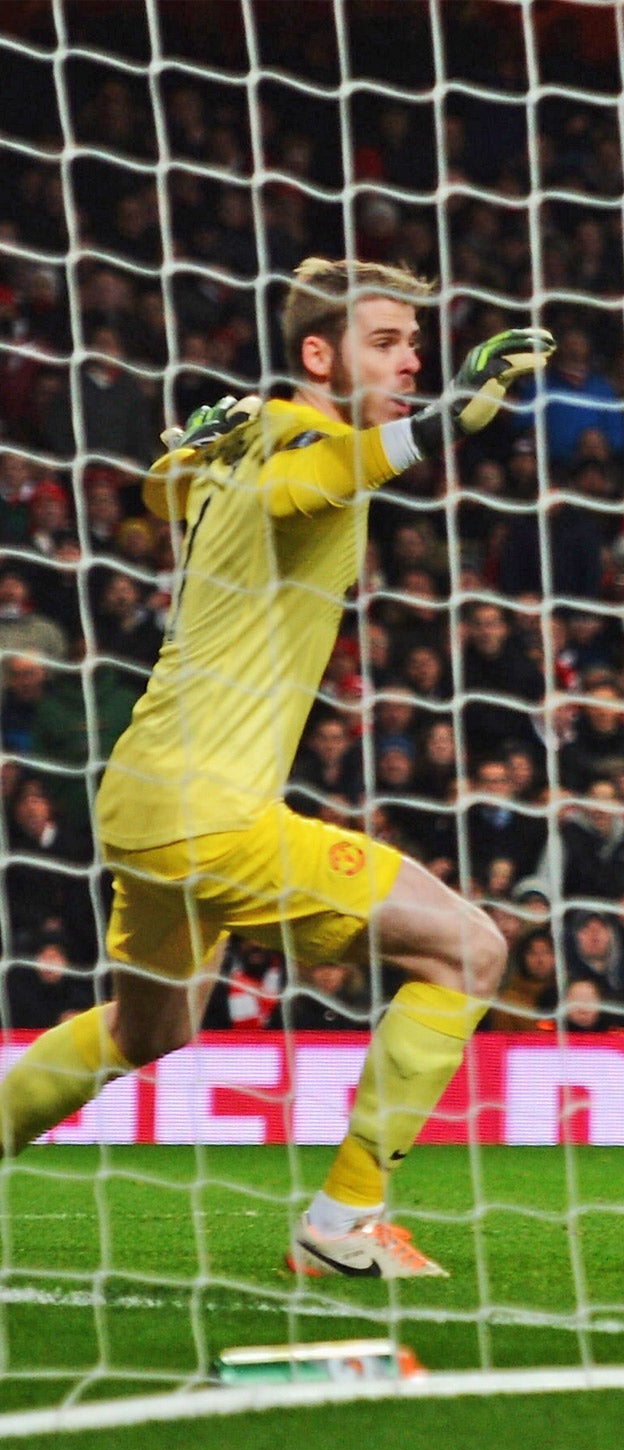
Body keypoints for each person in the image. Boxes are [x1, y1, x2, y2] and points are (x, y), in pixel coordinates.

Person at [0, 257, 553, 1280]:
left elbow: (160, 491)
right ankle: (342, 1220)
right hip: (209, 811)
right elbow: (322, 477)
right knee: (470, 952)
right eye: (384, 341)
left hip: (144, 797)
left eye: (413, 344)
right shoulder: (305, 440)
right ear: (317, 353)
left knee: (148, 1026)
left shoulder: (253, 429)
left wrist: (200, 453)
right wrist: (448, 423)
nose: (411, 358)